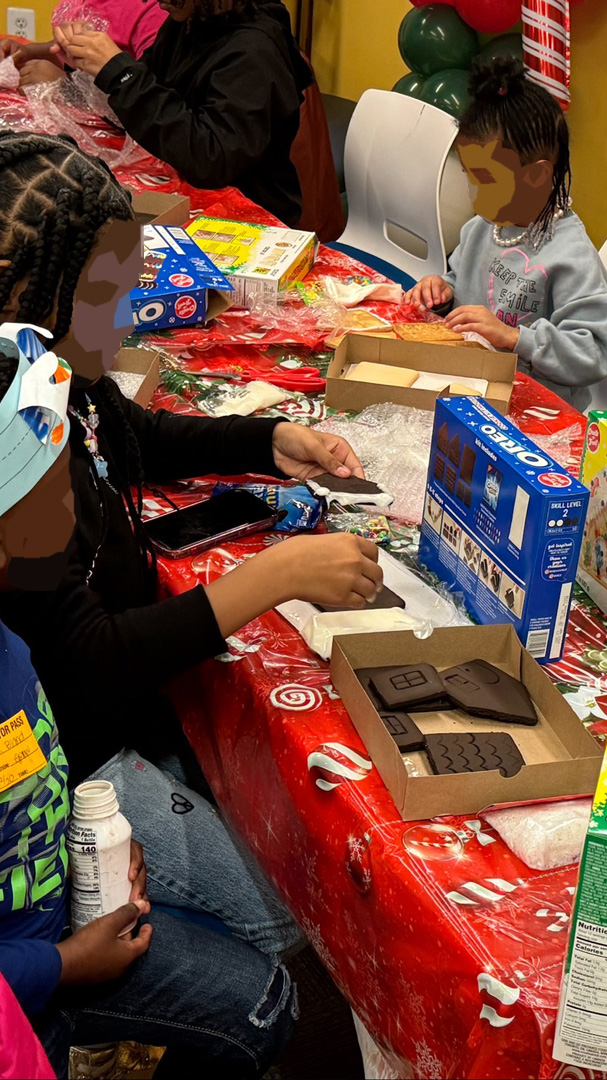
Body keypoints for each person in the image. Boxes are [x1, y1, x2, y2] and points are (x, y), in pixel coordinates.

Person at [0, 132, 383, 783]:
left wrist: (265, 441)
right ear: (29, 298)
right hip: (73, 765)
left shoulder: (55, 378)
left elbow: (133, 435)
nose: (132, 317)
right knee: (257, 881)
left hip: (116, 718)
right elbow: (91, 661)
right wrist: (275, 575)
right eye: (108, 297)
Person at [0, 338, 296, 1077]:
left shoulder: (10, 645)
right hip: (41, 972)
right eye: (56, 488)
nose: (76, 501)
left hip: (53, 904)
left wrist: (93, 840)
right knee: (266, 998)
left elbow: (32, 785)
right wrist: (65, 964)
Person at [404, 58, 607, 412]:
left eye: (486, 179)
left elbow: (594, 352)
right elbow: (461, 281)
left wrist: (515, 337)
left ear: (535, 177)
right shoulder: (482, 227)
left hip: (538, 410)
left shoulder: (570, 256)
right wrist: (441, 291)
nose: (473, 191)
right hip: (475, 387)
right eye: (470, 176)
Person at [53, 0, 311, 227]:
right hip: (191, 194)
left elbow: (212, 158)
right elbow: (149, 107)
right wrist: (92, 68)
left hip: (250, 218)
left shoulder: (254, 49)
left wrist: (122, 75)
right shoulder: (190, 22)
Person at [0, 0, 167, 86]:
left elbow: (152, 103)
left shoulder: (155, 13)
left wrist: (65, 88)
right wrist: (29, 51)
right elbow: (72, 49)